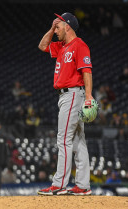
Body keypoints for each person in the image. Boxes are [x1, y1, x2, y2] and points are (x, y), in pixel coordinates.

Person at [37, 12, 93, 195]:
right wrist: (51, 28)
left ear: (68, 26)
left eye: (59, 25)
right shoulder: (61, 46)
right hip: (66, 96)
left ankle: (59, 184)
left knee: (64, 140)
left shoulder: (79, 45)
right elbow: (42, 45)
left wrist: (88, 97)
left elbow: (87, 71)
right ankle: (83, 186)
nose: (56, 29)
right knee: (78, 141)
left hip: (73, 95)